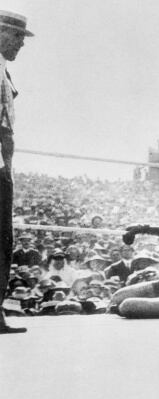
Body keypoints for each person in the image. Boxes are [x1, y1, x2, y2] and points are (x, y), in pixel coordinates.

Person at [0, 10, 32, 334]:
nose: (21, 43)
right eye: (17, 36)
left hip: (2, 163)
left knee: (2, 239)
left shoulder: (3, 71)